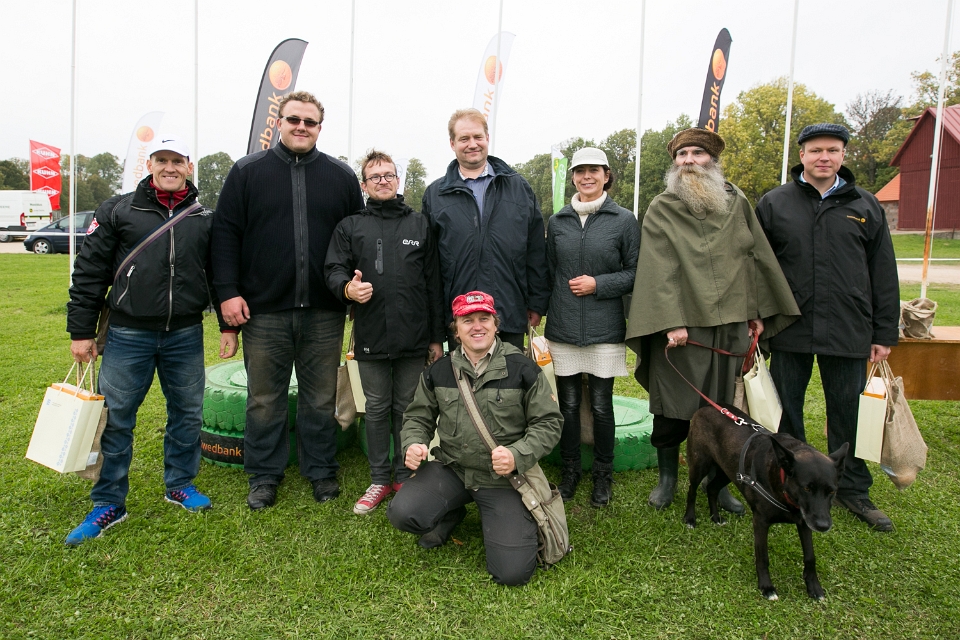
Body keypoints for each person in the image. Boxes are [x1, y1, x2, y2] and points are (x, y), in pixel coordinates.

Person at [64, 136, 236, 546]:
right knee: (117, 419)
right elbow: (89, 271)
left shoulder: (204, 217)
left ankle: (180, 484)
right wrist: (81, 331)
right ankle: (108, 502)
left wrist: (228, 327)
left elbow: (219, 275)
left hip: (185, 333)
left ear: (189, 166)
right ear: (151, 165)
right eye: (162, 160)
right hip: (128, 334)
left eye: (177, 160)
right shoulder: (118, 210)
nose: (169, 167)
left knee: (187, 414)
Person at [625, 127, 800, 512]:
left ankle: (718, 484)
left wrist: (755, 313)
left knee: (726, 410)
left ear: (712, 160)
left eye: (697, 153)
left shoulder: (736, 202)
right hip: (682, 328)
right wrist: (671, 321)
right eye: (682, 154)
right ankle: (668, 479)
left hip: (731, 322)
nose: (689, 160)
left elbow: (751, 258)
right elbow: (658, 266)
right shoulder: (662, 207)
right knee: (672, 406)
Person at [212, 91, 364, 510]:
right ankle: (264, 474)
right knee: (264, 399)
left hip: (324, 310)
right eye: (294, 119)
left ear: (319, 128)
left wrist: (354, 294)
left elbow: (357, 237)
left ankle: (321, 469)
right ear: (279, 122)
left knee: (320, 397)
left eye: (309, 122)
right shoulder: (247, 172)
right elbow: (224, 236)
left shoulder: (340, 176)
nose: (301, 127)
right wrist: (227, 294)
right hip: (264, 310)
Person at [755, 123, 900, 532]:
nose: (824, 157)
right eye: (816, 150)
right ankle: (786, 483)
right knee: (785, 412)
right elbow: (757, 267)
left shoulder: (866, 205)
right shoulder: (774, 203)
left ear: (842, 155)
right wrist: (759, 315)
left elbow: (883, 272)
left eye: (832, 150)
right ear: (801, 155)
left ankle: (853, 489)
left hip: (848, 327)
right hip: (791, 325)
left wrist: (883, 332)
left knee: (848, 413)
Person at [387, 291, 562, 586]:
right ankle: (451, 511)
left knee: (512, 573)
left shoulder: (522, 369)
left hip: (502, 479)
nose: (477, 326)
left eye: (484, 319)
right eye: (467, 321)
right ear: (456, 330)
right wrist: (414, 442)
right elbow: (417, 416)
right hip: (453, 469)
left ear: (496, 325)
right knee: (404, 513)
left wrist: (517, 455)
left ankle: (503, 519)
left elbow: (549, 423)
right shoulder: (438, 371)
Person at [324, 148, 445, 515]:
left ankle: (405, 477)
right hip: (372, 334)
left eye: (388, 175)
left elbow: (433, 284)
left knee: (408, 408)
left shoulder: (419, 224)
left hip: (414, 337)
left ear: (398, 180)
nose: (382, 181)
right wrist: (348, 288)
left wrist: (436, 337)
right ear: (364, 185)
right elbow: (333, 269)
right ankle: (379, 478)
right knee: (376, 408)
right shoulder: (350, 226)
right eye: (374, 177)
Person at [544, 147, 639, 507]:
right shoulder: (558, 222)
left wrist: (599, 284)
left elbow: (635, 272)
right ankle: (570, 471)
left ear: (606, 175)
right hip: (564, 326)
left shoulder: (624, 220)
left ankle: (603, 473)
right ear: (572, 177)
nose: (587, 176)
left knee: (601, 405)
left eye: (594, 170)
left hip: (604, 327)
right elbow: (550, 272)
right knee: (567, 405)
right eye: (580, 171)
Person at [421, 108, 550, 351]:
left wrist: (537, 302)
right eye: (464, 138)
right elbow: (431, 265)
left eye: (477, 137)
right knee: (463, 377)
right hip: (459, 316)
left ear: (487, 138)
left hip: (508, 309)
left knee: (509, 375)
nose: (472, 144)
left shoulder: (519, 188)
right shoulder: (435, 195)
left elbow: (535, 250)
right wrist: (436, 322)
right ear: (452, 143)